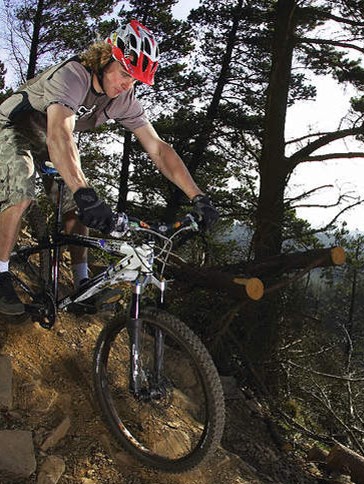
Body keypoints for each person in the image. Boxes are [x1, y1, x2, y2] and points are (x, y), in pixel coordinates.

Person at [0, 20, 218, 316]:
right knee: (23, 188)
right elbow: (60, 135)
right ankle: (0, 272)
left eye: (136, 80)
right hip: (12, 128)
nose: (128, 84)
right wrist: (83, 190)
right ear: (106, 58)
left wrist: (198, 196)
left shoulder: (123, 99)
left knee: (76, 210)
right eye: (126, 73)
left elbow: (158, 148)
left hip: (47, 140)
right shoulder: (73, 75)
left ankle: (81, 284)